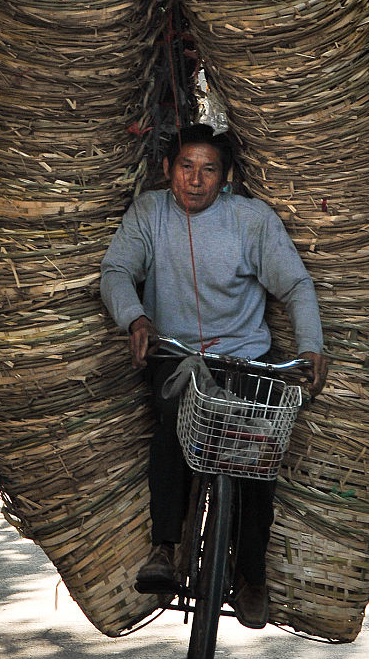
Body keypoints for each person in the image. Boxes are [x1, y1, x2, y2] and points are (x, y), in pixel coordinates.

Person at [100, 124, 328, 629]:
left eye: (208, 170)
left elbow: (295, 285)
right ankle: (164, 549)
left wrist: (311, 347)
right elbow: (116, 270)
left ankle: (250, 577)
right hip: (175, 356)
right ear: (168, 169)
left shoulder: (251, 221)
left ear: (225, 179)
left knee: (258, 458)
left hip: (246, 359)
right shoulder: (149, 213)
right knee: (171, 433)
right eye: (186, 167)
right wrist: (135, 317)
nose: (195, 180)